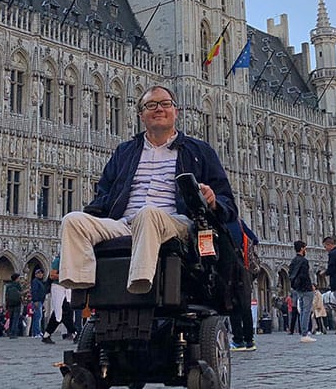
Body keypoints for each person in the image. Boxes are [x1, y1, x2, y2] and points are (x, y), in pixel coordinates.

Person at [58, 85, 236, 295]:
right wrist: (92, 216)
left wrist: (213, 201)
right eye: (151, 105)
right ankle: (85, 286)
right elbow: (104, 195)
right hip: (125, 224)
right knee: (73, 220)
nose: (159, 109)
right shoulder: (125, 152)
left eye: (165, 104)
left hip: (175, 224)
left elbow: (228, 203)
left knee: (148, 213)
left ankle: (140, 285)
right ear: (141, 115)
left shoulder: (198, 151)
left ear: (175, 112)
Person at [227, 218, 259, 351]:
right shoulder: (238, 221)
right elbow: (254, 239)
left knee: (233, 304)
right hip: (244, 268)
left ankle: (238, 340)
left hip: (228, 268)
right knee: (245, 305)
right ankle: (249, 341)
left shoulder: (217, 220)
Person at [289, 240, 315, 343]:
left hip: (298, 289)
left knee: (302, 311)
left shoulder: (294, 260)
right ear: (302, 249)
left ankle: (303, 332)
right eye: (305, 248)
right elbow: (305, 275)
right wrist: (310, 286)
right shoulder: (304, 261)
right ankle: (304, 333)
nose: (305, 250)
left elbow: (290, 273)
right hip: (306, 289)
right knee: (306, 311)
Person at [4, 273, 23, 338]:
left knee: (11, 318)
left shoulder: (8, 285)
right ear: (17, 278)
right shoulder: (18, 285)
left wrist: (6, 305)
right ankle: (14, 333)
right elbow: (21, 293)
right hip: (17, 304)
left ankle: (10, 333)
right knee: (16, 318)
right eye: (19, 278)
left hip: (10, 304)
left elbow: (6, 296)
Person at [30, 269, 48, 337]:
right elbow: (34, 291)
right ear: (36, 274)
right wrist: (35, 300)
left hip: (40, 301)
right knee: (38, 317)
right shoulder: (35, 281)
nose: (40, 274)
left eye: (41, 273)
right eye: (38, 273)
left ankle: (36, 332)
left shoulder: (40, 282)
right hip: (37, 301)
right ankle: (37, 332)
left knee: (37, 317)